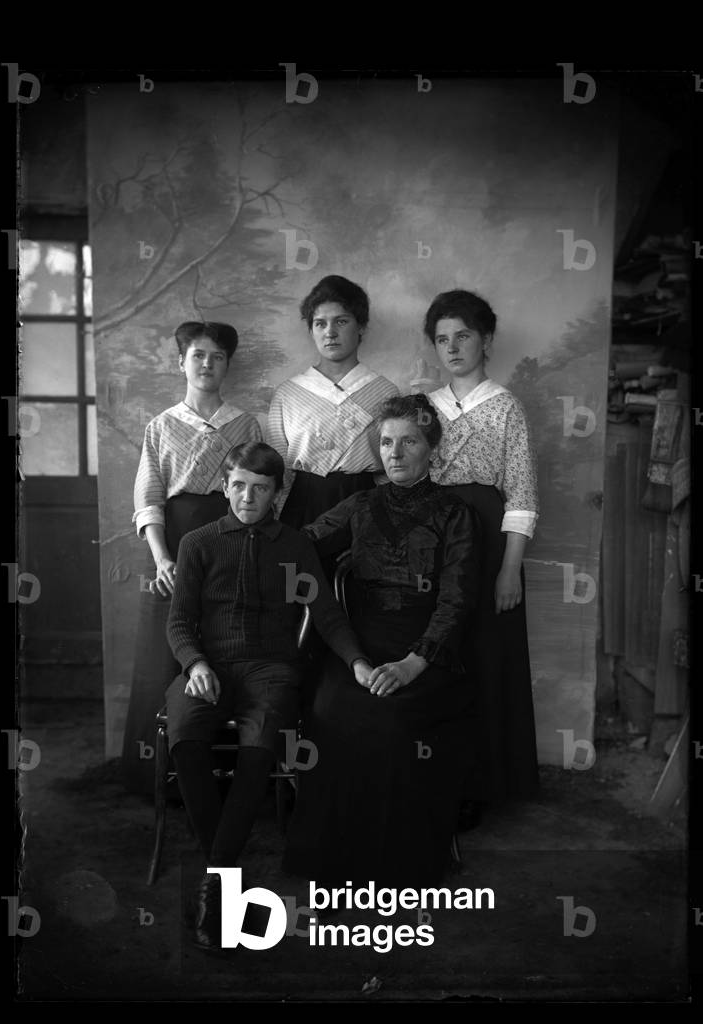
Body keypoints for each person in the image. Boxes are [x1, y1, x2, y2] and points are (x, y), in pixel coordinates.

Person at [165, 441, 370, 950]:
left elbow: (325, 614)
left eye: (260, 489)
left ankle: (216, 885)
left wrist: (358, 661)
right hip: (207, 670)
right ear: (225, 486)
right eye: (238, 486)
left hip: (271, 672)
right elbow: (179, 622)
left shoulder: (294, 545)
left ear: (277, 494)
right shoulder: (198, 542)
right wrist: (195, 664)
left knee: (258, 752)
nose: (247, 498)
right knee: (187, 741)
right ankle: (228, 878)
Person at [283, 394, 478, 890]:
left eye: (408, 441)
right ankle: (327, 873)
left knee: (392, 718)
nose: (394, 452)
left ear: (431, 447)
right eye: (386, 441)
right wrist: (232, 537)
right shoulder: (361, 504)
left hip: (426, 648)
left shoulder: (455, 514)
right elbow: (300, 542)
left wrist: (414, 664)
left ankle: (397, 875)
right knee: (329, 711)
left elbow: (455, 601)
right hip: (358, 645)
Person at [121, 321, 261, 795]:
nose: (207, 364)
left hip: (226, 540)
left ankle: (219, 771)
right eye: (198, 355)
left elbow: (252, 495)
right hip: (174, 542)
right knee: (168, 646)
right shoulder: (160, 426)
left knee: (223, 638)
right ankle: (160, 776)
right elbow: (150, 497)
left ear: (227, 365)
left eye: (217, 357)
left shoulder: (244, 424)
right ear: (181, 361)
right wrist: (161, 559)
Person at [424, 289, 539, 811]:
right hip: (433, 540)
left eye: (463, 336)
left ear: (486, 340)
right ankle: (434, 777)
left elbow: (521, 495)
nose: (452, 348)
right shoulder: (424, 407)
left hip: (491, 545)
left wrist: (509, 571)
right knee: (436, 650)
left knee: (486, 656)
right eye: (442, 339)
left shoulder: (506, 406)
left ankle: (489, 784)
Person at [266, 275, 399, 529]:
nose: (330, 333)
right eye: (320, 323)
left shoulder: (385, 391)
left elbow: (393, 464)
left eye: (341, 321)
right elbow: (277, 468)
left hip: (366, 504)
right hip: (303, 504)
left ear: (360, 326)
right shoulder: (288, 394)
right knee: (302, 568)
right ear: (311, 329)